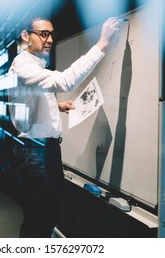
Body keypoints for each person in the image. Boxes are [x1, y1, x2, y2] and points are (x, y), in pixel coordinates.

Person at [7, 16, 121, 237]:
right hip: (36, 151)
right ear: (25, 36)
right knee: (38, 221)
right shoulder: (23, 64)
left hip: (43, 150)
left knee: (47, 215)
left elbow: (29, 99)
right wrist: (102, 44)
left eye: (51, 34)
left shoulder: (35, 65)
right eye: (43, 34)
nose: (49, 40)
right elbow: (65, 81)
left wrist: (55, 105)